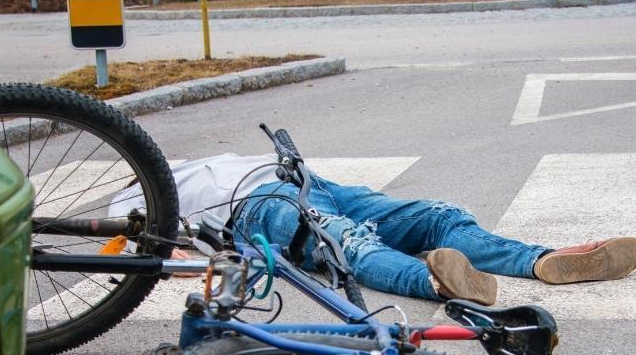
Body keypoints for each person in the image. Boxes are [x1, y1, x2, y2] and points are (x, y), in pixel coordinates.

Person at [119, 153, 636, 305]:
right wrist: (185, 260)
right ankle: (437, 281)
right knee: (351, 242)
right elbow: (129, 244)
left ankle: (541, 260)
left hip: (310, 181)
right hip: (258, 210)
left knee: (438, 216)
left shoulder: (175, 159)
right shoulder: (135, 191)